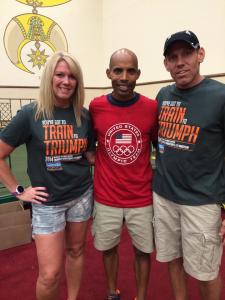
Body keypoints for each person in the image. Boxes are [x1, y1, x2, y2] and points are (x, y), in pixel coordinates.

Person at [0, 51, 95, 300]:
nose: (66, 81)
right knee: (50, 274)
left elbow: (90, 154)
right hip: (47, 203)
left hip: (81, 195)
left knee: (76, 252)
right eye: (60, 74)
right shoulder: (31, 114)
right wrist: (19, 191)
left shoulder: (83, 116)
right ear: (49, 78)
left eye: (72, 76)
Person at [153, 30, 225, 300]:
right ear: (166, 65)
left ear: (200, 55)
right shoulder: (162, 95)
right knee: (173, 260)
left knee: (206, 272)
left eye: (187, 54)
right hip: (164, 197)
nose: (180, 62)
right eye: (173, 57)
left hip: (202, 202)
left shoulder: (220, 96)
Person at [89, 48, 158, 300]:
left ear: (138, 74)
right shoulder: (96, 106)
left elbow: (159, 147)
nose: (124, 77)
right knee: (108, 248)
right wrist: (104, 166)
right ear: (108, 73)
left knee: (143, 252)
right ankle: (111, 292)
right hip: (106, 197)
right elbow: (88, 147)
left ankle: (140, 296)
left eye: (130, 71)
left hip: (141, 198)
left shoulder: (151, 107)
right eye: (118, 70)